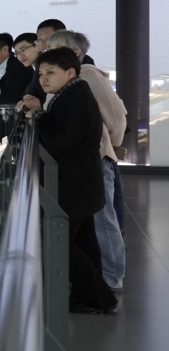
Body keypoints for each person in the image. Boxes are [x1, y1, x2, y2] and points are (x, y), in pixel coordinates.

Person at [21, 48, 118, 314]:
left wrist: (38, 115)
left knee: (59, 243)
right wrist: (41, 111)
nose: (43, 78)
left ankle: (99, 298)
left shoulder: (74, 98)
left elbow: (60, 138)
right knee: (84, 241)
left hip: (73, 182)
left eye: (50, 72)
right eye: (41, 73)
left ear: (70, 73)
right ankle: (90, 295)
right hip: (81, 180)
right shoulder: (72, 92)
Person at [44, 30, 127, 292]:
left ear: (75, 54)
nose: (48, 52)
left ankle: (112, 277)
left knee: (104, 220)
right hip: (81, 158)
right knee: (90, 225)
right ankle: (95, 276)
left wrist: (107, 145)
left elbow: (116, 115)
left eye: (54, 48)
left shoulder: (88, 75)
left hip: (95, 158)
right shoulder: (69, 78)